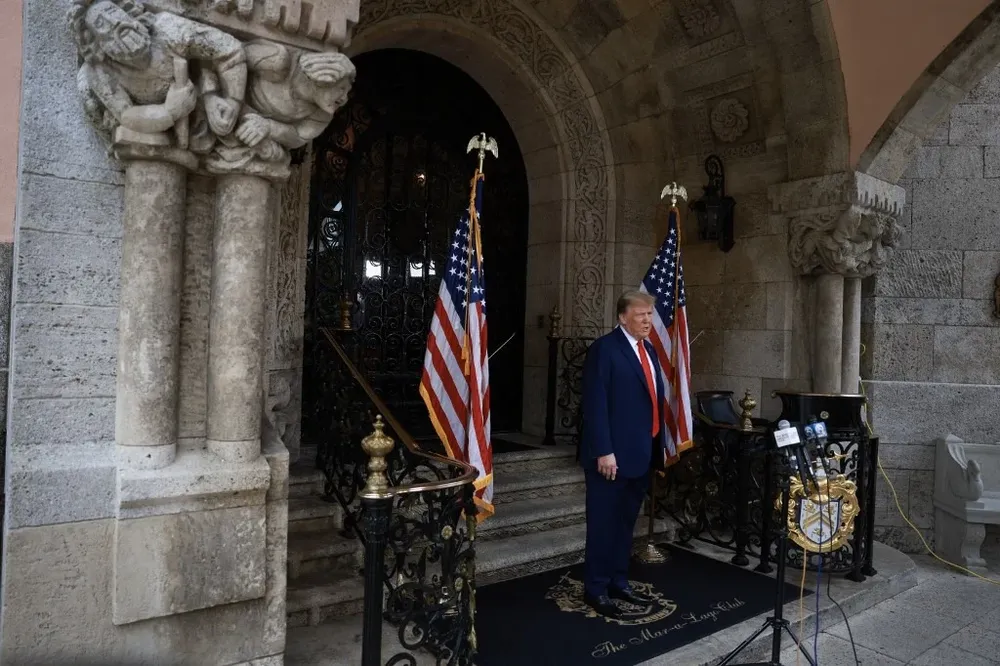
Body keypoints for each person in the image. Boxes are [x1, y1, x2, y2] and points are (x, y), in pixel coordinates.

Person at [579, 290, 669, 618]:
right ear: (622, 317)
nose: (647, 320)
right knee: (603, 525)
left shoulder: (650, 350)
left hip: (641, 455)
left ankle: (618, 581)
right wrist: (604, 451)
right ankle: (596, 589)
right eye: (641, 315)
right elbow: (595, 404)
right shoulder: (604, 349)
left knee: (625, 525)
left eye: (650, 314)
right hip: (611, 458)